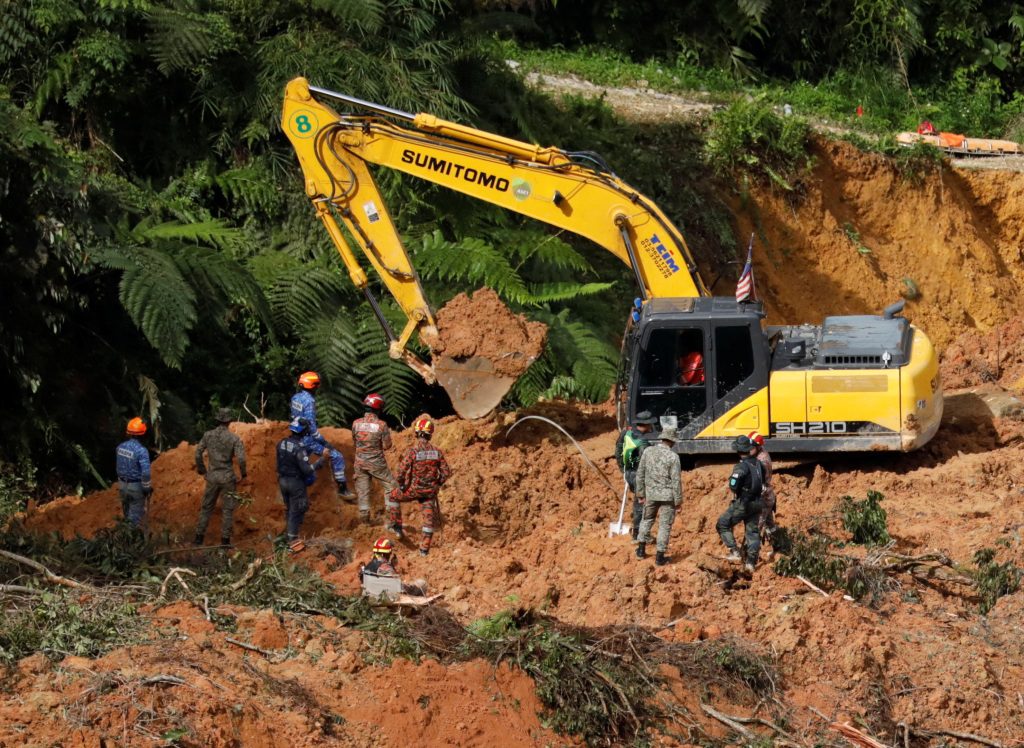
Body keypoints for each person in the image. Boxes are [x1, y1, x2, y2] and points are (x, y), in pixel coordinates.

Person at [390, 415, 451, 556]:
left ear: (417, 433)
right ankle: (424, 551)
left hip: (413, 490)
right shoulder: (437, 452)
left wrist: (402, 486)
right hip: (429, 492)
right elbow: (446, 472)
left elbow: (401, 472)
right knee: (428, 520)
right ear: (430, 434)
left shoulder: (413, 452)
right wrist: (437, 484)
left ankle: (397, 527)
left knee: (393, 497)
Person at [289, 371, 353, 499]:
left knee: (297, 465)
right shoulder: (309, 402)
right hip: (307, 439)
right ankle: (342, 489)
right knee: (337, 456)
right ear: (313, 386)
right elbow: (312, 428)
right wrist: (324, 443)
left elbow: (293, 417)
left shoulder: (295, 397)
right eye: (317, 385)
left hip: (296, 436)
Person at [193, 407, 248, 547]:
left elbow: (198, 453)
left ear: (218, 420)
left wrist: (202, 470)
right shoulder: (234, 438)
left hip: (212, 476)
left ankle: (198, 538)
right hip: (228, 477)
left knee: (206, 507)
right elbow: (241, 459)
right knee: (228, 509)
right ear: (229, 421)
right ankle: (225, 542)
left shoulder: (207, 435)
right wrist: (243, 474)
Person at [634, 427, 683, 566]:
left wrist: (640, 493)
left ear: (662, 438)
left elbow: (640, 473)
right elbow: (676, 480)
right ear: (672, 441)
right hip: (668, 497)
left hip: (650, 494)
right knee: (664, 526)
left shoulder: (648, 451)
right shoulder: (673, 457)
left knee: (647, 520)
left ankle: (641, 550)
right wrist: (678, 501)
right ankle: (660, 557)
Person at [717, 435, 765, 573]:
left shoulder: (741, 466)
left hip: (744, 503)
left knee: (723, 524)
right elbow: (765, 480)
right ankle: (751, 563)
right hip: (757, 502)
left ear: (738, 451)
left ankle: (734, 552)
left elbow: (733, 485)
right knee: (753, 532)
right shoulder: (759, 463)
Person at [276, 418, 321, 553]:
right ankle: (293, 543)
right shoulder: (299, 448)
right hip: (295, 482)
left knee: (290, 509)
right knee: (297, 510)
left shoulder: (281, 443)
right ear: (303, 431)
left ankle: (287, 537)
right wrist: (319, 462)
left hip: (283, 480)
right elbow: (307, 470)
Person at [351, 393, 395, 525]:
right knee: (391, 486)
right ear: (379, 408)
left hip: (359, 463)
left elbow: (355, 442)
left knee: (363, 491)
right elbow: (387, 446)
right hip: (377, 464)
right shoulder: (381, 425)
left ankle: (364, 521)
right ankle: (390, 517)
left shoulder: (356, 423)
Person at [614, 410, 657, 540]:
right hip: (638, 475)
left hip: (628, 471)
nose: (651, 427)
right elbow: (646, 466)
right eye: (650, 424)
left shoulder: (626, 432)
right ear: (646, 424)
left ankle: (638, 532)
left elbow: (618, 450)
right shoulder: (643, 443)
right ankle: (639, 534)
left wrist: (623, 469)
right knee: (642, 504)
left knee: (638, 502)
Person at [358, 537, 428, 596]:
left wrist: (391, 565)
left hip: (372, 594)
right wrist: (409, 586)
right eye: (389, 553)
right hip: (386, 597)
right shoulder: (384, 567)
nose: (390, 554)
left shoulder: (368, 566)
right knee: (422, 583)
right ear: (384, 554)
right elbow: (397, 586)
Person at [116, 417, 152, 529]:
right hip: (135, 487)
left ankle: (123, 541)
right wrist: (147, 488)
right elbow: (145, 473)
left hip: (122, 485)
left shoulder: (120, 447)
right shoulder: (142, 451)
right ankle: (131, 544)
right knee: (134, 520)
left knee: (127, 516)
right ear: (143, 434)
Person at [748, 430, 778, 554]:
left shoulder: (761, 461)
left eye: (750, 447)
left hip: (764, 499)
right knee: (770, 526)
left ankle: (750, 557)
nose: (748, 449)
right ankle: (779, 547)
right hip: (768, 497)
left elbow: (758, 483)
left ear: (758, 446)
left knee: (756, 528)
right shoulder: (759, 454)